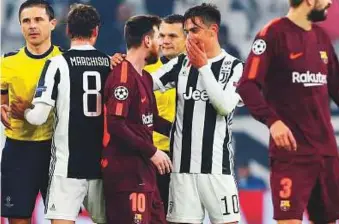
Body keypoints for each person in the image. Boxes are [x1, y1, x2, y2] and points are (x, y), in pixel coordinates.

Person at [237, 0, 339, 223]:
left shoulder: (322, 38)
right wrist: (273, 122)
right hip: (291, 155)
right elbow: (247, 85)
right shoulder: (272, 34)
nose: (329, 3)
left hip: (325, 154)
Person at [13, 3, 110, 224]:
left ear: (67, 31)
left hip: (68, 165)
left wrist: (24, 111)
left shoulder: (57, 64)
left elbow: (37, 117)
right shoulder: (110, 63)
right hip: (102, 164)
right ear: (96, 31)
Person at [152, 3, 243, 224]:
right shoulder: (181, 63)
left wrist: (203, 67)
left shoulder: (235, 67)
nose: (189, 37)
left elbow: (224, 106)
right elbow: (147, 83)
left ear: (213, 31)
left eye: (194, 30)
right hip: (181, 171)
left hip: (216, 170)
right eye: (187, 32)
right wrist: (123, 67)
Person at [102, 15, 172, 224]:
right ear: (147, 40)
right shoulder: (123, 75)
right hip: (127, 175)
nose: (162, 43)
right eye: (159, 36)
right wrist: (153, 151)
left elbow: (152, 119)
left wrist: (186, 132)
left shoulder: (145, 77)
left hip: (145, 174)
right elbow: (115, 124)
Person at [0, 1, 62, 224]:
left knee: (61, 218)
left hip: (55, 150)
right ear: (20, 25)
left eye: (38, 20)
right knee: (18, 218)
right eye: (26, 21)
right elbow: (2, 93)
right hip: (18, 149)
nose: (32, 26)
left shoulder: (64, 61)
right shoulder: (8, 62)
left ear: (52, 24)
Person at [144, 13, 186, 214]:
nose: (165, 41)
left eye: (172, 36)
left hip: (188, 157)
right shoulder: (146, 70)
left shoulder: (201, 70)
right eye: (162, 35)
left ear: (187, 37)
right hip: (155, 156)